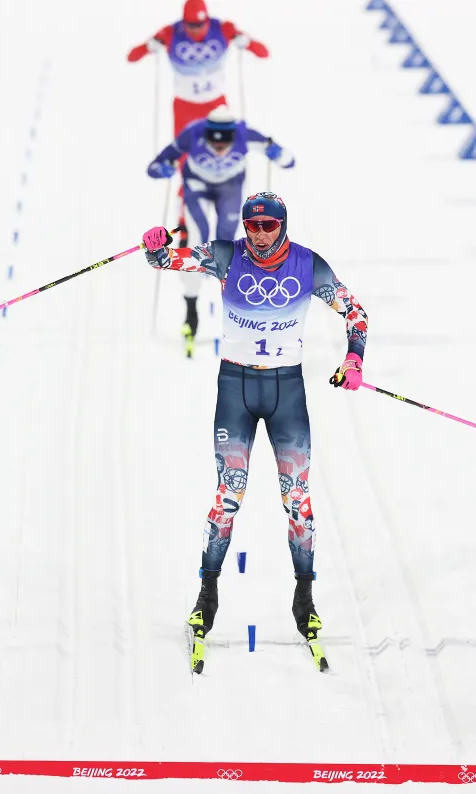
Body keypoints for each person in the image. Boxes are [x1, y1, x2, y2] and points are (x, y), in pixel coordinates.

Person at [140, 192, 369, 674]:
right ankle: (207, 593)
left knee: (298, 502)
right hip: (236, 388)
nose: (260, 234)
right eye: (252, 226)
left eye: (268, 225)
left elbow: (356, 313)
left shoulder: (309, 265)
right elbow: (166, 260)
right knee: (229, 495)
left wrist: (353, 360)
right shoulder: (227, 255)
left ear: (283, 225)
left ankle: (304, 598)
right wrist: (156, 245)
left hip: (286, 391)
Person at [147, 106, 295, 355]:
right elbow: (154, 166)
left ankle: (235, 313)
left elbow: (289, 161)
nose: (219, 150)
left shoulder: (243, 133)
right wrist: (164, 168)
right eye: (214, 145)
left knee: (227, 246)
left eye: (224, 145)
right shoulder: (193, 133)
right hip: (197, 186)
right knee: (197, 241)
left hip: (230, 189)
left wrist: (276, 153)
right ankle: (191, 312)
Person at [127, 0, 270, 251]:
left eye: (200, 25)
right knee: (185, 162)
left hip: (216, 108)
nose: (196, 31)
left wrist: (244, 41)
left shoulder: (223, 28)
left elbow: (263, 52)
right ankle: (185, 223)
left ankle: (229, 221)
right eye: (191, 26)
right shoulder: (171, 33)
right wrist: (150, 46)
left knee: (227, 156)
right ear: (184, 22)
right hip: (185, 108)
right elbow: (132, 56)